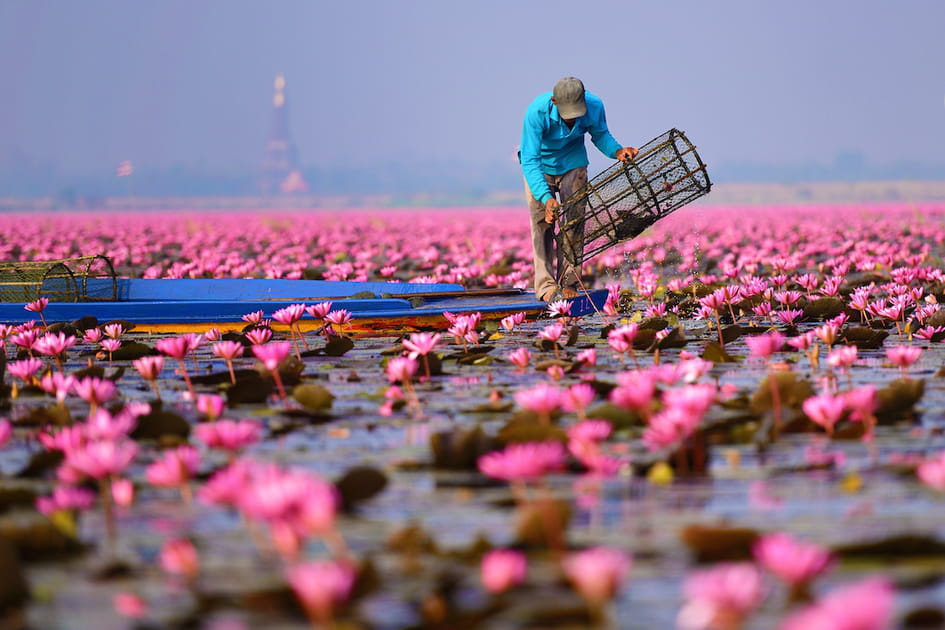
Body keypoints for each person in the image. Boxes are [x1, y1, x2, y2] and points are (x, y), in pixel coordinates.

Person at [520, 77, 638, 301]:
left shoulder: (594, 105)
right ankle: (546, 288)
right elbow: (530, 159)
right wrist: (546, 198)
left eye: (577, 110)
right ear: (554, 102)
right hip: (540, 167)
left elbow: (601, 134)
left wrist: (618, 151)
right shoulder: (536, 112)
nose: (573, 117)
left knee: (574, 222)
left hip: (573, 163)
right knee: (542, 224)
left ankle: (569, 282)